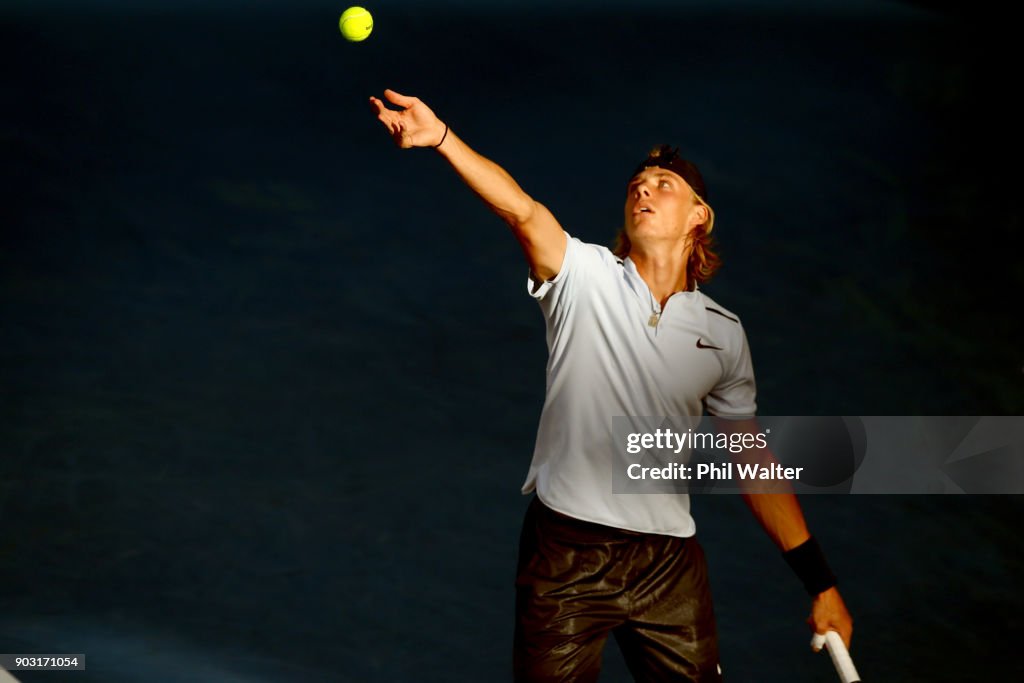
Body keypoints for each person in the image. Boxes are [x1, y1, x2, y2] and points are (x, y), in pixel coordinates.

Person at [369, 88, 853, 682]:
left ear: (699, 216)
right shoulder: (581, 274)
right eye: (636, 184)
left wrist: (821, 583)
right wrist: (442, 138)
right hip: (566, 556)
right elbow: (520, 209)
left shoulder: (724, 335)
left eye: (663, 183)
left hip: (668, 568)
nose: (643, 188)